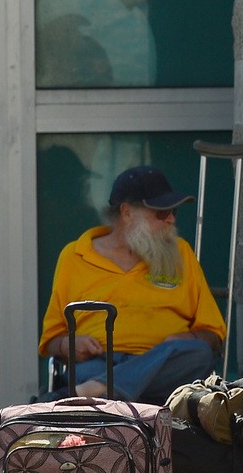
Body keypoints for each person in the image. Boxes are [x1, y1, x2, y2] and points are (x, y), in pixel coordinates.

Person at [40, 164, 225, 403]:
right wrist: (68, 345)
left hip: (166, 364)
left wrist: (190, 337)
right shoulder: (74, 256)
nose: (171, 219)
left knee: (198, 354)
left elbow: (214, 336)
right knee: (85, 373)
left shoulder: (181, 253)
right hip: (100, 362)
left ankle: (97, 389)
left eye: (174, 212)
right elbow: (51, 340)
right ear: (127, 213)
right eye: (162, 213)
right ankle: (104, 385)